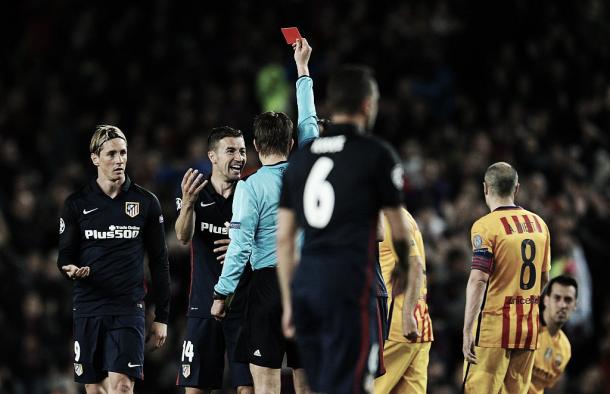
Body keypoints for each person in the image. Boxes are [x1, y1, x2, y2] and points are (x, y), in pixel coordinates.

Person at [276, 64, 412, 394]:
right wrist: (405, 269)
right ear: (368, 105)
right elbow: (397, 229)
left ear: (332, 106)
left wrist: (289, 302)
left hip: (308, 289)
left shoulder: (301, 160)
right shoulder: (376, 154)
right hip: (350, 289)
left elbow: (283, 239)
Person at [210, 38, 318, 393]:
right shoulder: (308, 168)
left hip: (268, 286)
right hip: (307, 283)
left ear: (256, 147)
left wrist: (222, 293)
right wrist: (302, 69)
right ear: (292, 144)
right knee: (307, 380)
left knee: (267, 383)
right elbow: (309, 123)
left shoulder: (250, 187)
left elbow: (240, 244)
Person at [57, 125, 170, 394]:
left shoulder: (146, 202)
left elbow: (159, 261)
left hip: (128, 307)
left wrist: (162, 315)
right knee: (95, 389)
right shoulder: (76, 204)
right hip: (88, 307)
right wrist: (69, 269)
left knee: (121, 387)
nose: (119, 160)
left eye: (123, 153)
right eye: (111, 154)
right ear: (95, 158)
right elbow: (65, 255)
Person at [174, 126, 253, 393]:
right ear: (213, 156)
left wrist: (242, 244)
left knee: (248, 389)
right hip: (203, 306)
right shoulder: (197, 192)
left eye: (242, 151)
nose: (239, 157)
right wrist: (187, 204)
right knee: (195, 389)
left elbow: (273, 242)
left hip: (243, 307)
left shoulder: (251, 193)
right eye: (230, 150)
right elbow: (183, 236)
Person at [462, 162, 551, 394]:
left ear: (485, 188)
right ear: (517, 188)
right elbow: (544, 279)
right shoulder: (540, 225)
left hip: (494, 329)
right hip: (528, 330)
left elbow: (479, 279)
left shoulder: (485, 226)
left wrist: (468, 329)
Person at [374, 209, 433, 393]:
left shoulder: (388, 219)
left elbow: (415, 265)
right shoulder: (404, 216)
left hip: (395, 326)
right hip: (419, 324)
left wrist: (406, 315)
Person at [529, 275, 577, 394]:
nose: (562, 305)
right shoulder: (527, 328)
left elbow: (546, 386)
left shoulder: (565, 348)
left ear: (575, 305)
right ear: (546, 300)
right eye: (557, 298)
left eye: (568, 300)